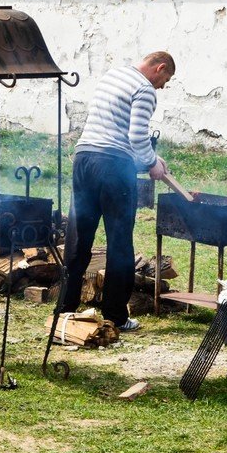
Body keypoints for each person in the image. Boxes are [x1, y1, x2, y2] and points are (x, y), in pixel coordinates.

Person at [59, 51, 175, 331]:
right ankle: (116, 316)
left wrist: (150, 158)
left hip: (84, 159)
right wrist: (152, 163)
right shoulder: (145, 89)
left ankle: (64, 310)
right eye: (166, 79)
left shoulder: (113, 75)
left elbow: (113, 127)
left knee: (78, 236)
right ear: (159, 67)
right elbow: (136, 136)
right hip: (112, 167)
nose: (162, 86)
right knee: (120, 242)